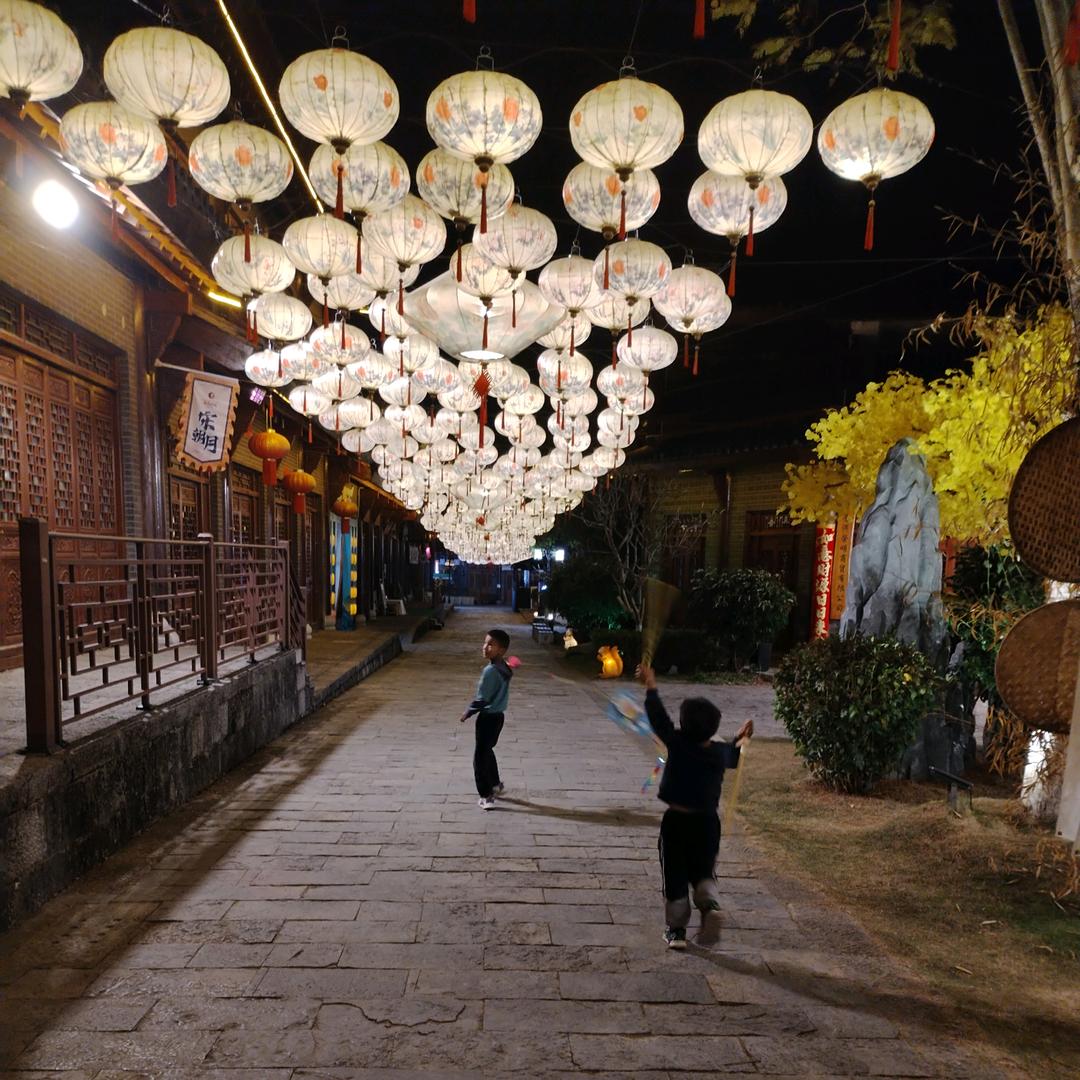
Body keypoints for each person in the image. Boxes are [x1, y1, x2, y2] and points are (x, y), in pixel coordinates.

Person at [636, 662, 753, 950]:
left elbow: (659, 720)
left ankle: (677, 932)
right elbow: (734, 756)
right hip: (708, 824)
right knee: (703, 870)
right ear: (713, 728)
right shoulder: (719, 752)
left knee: (675, 873)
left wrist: (651, 685)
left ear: (684, 725)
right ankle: (710, 904)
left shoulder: (677, 743)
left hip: (677, 821)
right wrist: (740, 738)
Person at [459, 628, 514, 810]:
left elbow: (482, 698)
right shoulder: (504, 668)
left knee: (480, 757)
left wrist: (468, 712)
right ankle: (496, 783)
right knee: (487, 750)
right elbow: (511, 667)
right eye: (485, 643)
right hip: (499, 718)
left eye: (491, 644)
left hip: (487, 718)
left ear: (501, 650)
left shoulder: (490, 671)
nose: (485, 647)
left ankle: (486, 795)